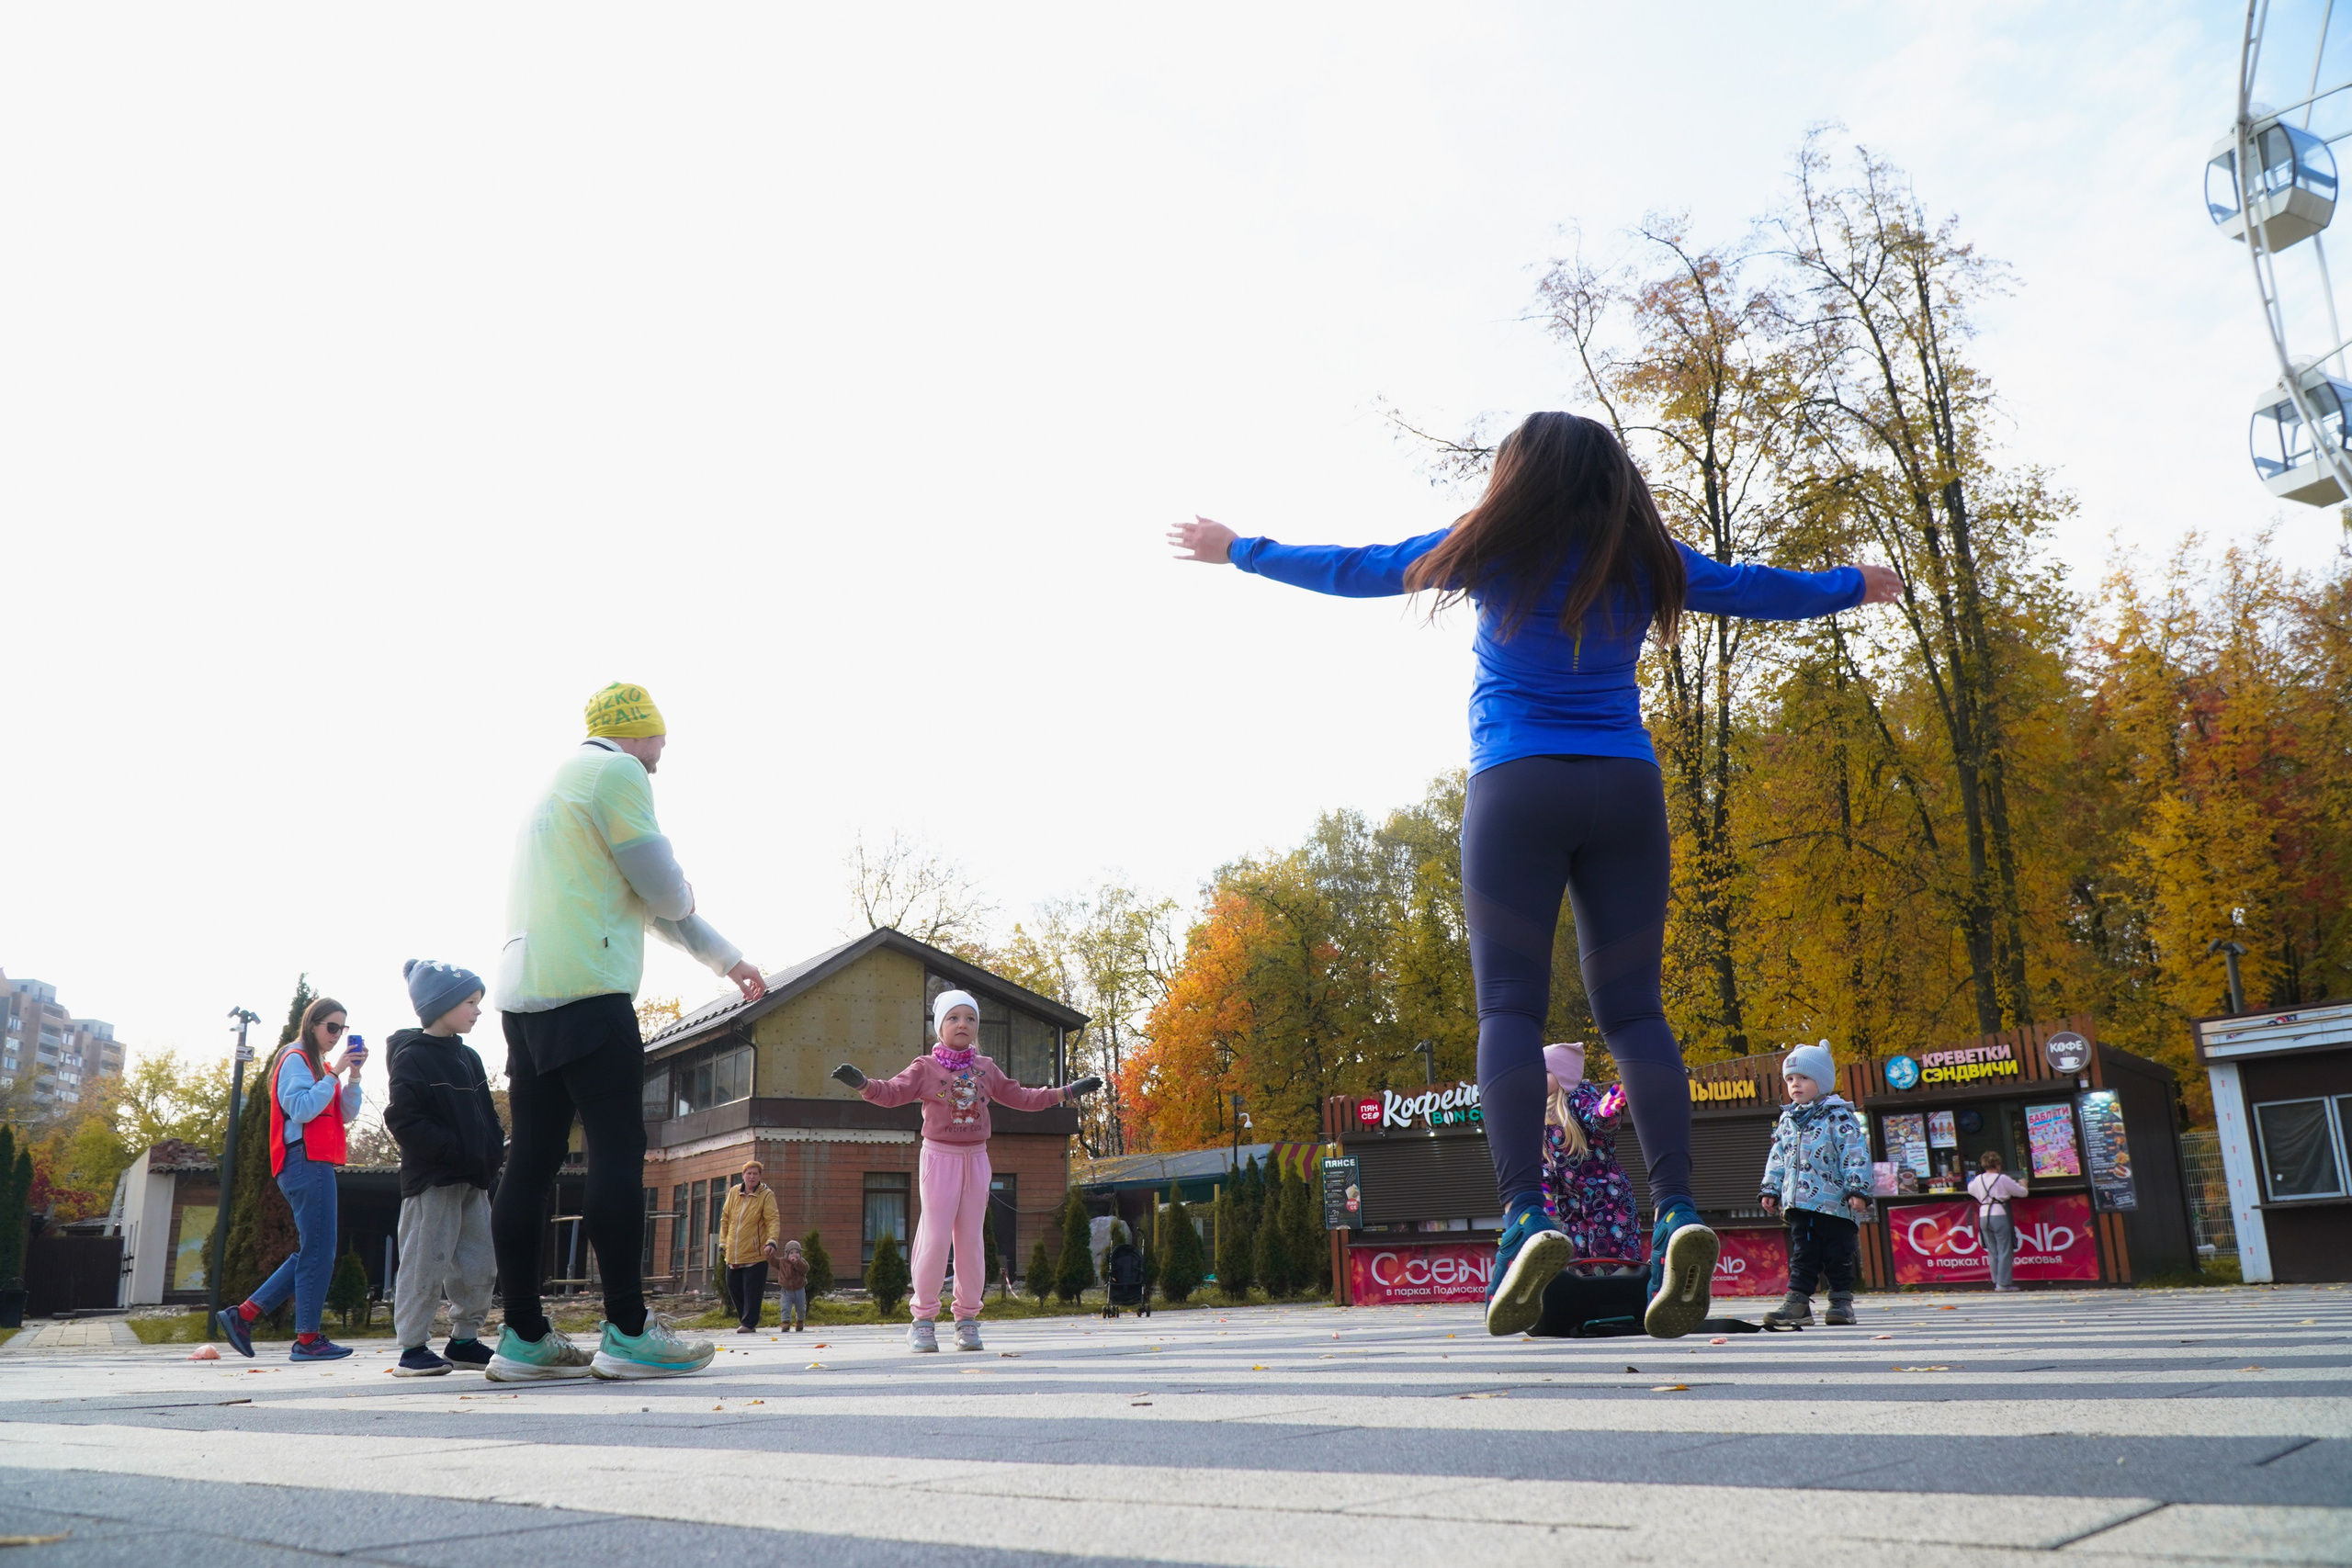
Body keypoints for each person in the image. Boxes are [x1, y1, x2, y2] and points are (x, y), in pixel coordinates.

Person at [1167, 411, 1900, 1337]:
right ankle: (1673, 1210)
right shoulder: (1647, 559)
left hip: (1516, 788)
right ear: (1614, 480)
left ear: (1516, 477)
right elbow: (1754, 588)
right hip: (1625, 791)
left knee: (1508, 1008)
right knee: (1634, 1011)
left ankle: (1524, 1217)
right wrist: (1850, 584)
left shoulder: (1488, 548)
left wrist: (1242, 550)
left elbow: (1356, 567)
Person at [488, 681, 769, 1382]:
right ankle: (629, 1329)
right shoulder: (618, 772)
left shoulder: (560, 783)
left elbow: (647, 902)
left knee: (532, 1159)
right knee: (618, 1150)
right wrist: (687, 890)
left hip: (525, 994)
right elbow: (667, 891)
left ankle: (521, 1335)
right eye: (659, 739)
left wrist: (726, 959)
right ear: (636, 732)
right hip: (591, 987)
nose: (662, 753)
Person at [832, 989, 1102, 1352]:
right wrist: (864, 1085)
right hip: (939, 1158)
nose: (963, 1024)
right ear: (939, 1026)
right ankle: (923, 1320)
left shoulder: (985, 1068)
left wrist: (1065, 1092)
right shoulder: (925, 1067)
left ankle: (967, 1320)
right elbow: (894, 1092)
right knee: (935, 1237)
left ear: (977, 1027)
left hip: (976, 1158)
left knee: (971, 1241)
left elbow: (1021, 1096)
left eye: (970, 1018)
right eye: (954, 1018)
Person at [214, 997, 366, 1361]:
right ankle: (308, 1339)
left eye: (341, 1029)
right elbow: (299, 1108)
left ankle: (245, 1315)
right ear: (311, 1024)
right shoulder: (297, 1059)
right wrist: (334, 1074)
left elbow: (344, 1114)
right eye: (331, 1027)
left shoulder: (319, 1065)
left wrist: (354, 1075)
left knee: (313, 1250)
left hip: (311, 1161)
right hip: (305, 1160)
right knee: (319, 1250)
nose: (336, 1035)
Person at [384, 959, 503, 1376]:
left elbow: (487, 1115)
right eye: (470, 1002)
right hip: (432, 1181)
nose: (477, 1010)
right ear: (440, 1005)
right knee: (424, 1262)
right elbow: (404, 1119)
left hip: (473, 1180)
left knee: (479, 1263)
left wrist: (491, 1154)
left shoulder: (468, 1058)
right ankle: (412, 1348)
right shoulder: (412, 1057)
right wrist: (452, 1150)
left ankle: (465, 1340)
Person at [1758, 1042, 1871, 1327]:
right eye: (1790, 1079)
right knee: (1803, 1253)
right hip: (1800, 1202)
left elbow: (1854, 1152)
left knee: (1838, 1254)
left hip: (1836, 1202)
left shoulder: (1838, 1115)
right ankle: (1798, 1302)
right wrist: (1771, 1188)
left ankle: (1841, 1302)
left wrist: (1858, 1189)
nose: (1795, 1085)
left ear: (1821, 1081)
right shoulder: (1787, 1119)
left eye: (1804, 1078)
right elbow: (1778, 1157)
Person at [719, 1160, 783, 1334]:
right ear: (743, 1175)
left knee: (752, 1291)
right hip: (734, 1252)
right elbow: (725, 1219)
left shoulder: (766, 1195)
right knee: (733, 1286)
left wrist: (772, 1241)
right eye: (749, 1173)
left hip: (756, 1253)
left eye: (755, 1174)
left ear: (760, 1177)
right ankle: (745, 1320)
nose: (752, 1176)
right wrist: (723, 1242)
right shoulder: (733, 1192)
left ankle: (749, 1323)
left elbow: (773, 1220)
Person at [1969, 1150, 2029, 1292]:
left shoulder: (1978, 1179)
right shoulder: (2002, 1178)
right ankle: (2003, 1284)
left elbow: (1970, 1190)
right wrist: (2024, 1184)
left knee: (1993, 1251)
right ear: (1997, 1164)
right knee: (2004, 1250)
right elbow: (2022, 1193)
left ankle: (1996, 1281)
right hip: (1999, 1214)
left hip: (1983, 1215)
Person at [775, 1237, 811, 1331]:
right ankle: (785, 1323)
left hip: (799, 1290)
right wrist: (769, 1255)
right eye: (791, 1253)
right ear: (787, 1254)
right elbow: (773, 1262)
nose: (794, 1255)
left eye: (797, 1252)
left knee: (801, 1308)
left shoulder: (802, 1262)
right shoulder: (782, 1262)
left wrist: (797, 1262)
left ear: (800, 1254)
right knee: (785, 1307)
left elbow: (804, 1270)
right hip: (786, 1290)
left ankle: (800, 1321)